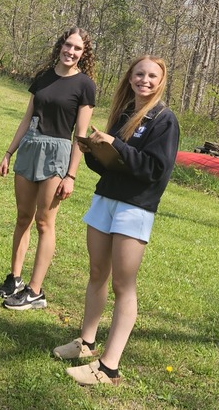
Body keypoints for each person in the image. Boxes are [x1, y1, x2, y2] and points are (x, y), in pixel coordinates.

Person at [52, 55, 179, 386]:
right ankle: (86, 343)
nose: (144, 80)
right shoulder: (125, 114)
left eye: (152, 76)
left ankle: (109, 367)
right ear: (130, 77)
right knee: (96, 273)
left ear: (161, 81)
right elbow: (114, 165)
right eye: (139, 74)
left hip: (134, 208)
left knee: (124, 285)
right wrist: (95, 152)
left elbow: (155, 170)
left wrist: (117, 146)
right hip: (105, 200)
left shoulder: (165, 120)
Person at [0, 28, 97, 310]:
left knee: (44, 222)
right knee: (22, 217)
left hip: (57, 153)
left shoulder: (84, 85)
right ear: (60, 46)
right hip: (29, 148)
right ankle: (15, 279)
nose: (71, 51)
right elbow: (26, 117)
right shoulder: (43, 77)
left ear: (83, 53)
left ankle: (35, 291)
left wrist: (71, 175)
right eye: (68, 45)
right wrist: (8, 152)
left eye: (78, 48)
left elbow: (81, 134)